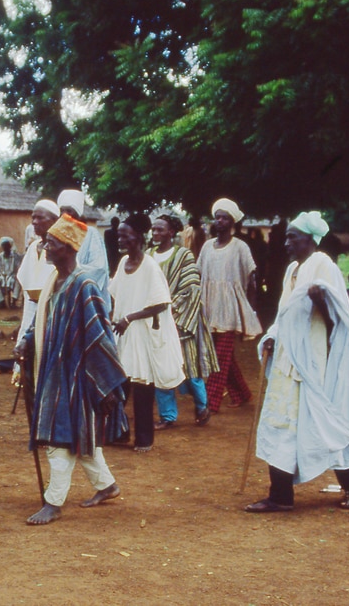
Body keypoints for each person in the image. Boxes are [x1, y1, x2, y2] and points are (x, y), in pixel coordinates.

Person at [247, 211, 349, 513]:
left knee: (322, 425)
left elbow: (340, 321)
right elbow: (285, 313)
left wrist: (319, 301)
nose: (287, 242)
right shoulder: (292, 270)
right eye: (287, 236)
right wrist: (273, 336)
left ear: (310, 240)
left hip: (315, 361)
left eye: (293, 237)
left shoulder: (323, 265)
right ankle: (281, 495)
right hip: (289, 360)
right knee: (282, 423)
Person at [16, 214, 127, 525]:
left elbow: (100, 337)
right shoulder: (54, 281)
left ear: (66, 248)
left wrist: (104, 385)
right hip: (54, 368)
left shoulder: (85, 285)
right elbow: (43, 320)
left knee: (58, 437)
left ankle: (53, 502)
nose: (45, 247)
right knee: (82, 435)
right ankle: (107, 486)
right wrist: (26, 341)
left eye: (50, 243)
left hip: (79, 375)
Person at [110, 213, 185, 453]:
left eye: (125, 235)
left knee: (142, 388)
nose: (120, 239)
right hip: (123, 333)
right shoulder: (123, 264)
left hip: (141, 334)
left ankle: (144, 440)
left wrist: (129, 318)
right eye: (119, 235)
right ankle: (119, 433)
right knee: (119, 385)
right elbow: (115, 294)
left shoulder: (150, 266)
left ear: (139, 237)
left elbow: (162, 303)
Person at [149, 214, 217, 428]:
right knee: (161, 367)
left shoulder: (183, 255)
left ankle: (202, 406)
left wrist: (171, 311)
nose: (156, 233)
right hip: (155, 321)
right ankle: (168, 416)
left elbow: (191, 287)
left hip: (181, 320)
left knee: (189, 366)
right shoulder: (148, 256)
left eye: (161, 230)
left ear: (171, 232)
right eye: (154, 229)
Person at [197, 198, 263, 413]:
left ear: (233, 222)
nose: (220, 221)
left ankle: (209, 402)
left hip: (230, 309)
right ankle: (242, 393)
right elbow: (198, 275)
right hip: (209, 307)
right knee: (222, 356)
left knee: (219, 356)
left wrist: (251, 309)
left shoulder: (240, 247)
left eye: (225, 218)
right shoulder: (207, 246)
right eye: (217, 217)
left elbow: (252, 278)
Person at [57, 189, 111, 313]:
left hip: (85, 298)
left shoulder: (91, 234)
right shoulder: (58, 235)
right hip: (61, 297)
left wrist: (70, 276)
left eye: (69, 210)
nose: (65, 214)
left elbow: (99, 268)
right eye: (62, 210)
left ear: (78, 213)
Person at [16, 201, 60, 339]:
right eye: (33, 218)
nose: (34, 222)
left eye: (40, 218)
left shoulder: (62, 249)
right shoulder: (33, 247)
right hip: (31, 308)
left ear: (55, 221)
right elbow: (25, 278)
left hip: (54, 310)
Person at [0, 237, 20, 308]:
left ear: (10, 246)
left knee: (18, 281)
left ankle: (14, 300)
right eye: (3, 246)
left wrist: (17, 276)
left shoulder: (15, 256)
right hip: (2, 276)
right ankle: (1, 301)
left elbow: (19, 267)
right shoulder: (0, 256)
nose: (5, 247)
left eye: (6, 245)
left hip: (12, 276)